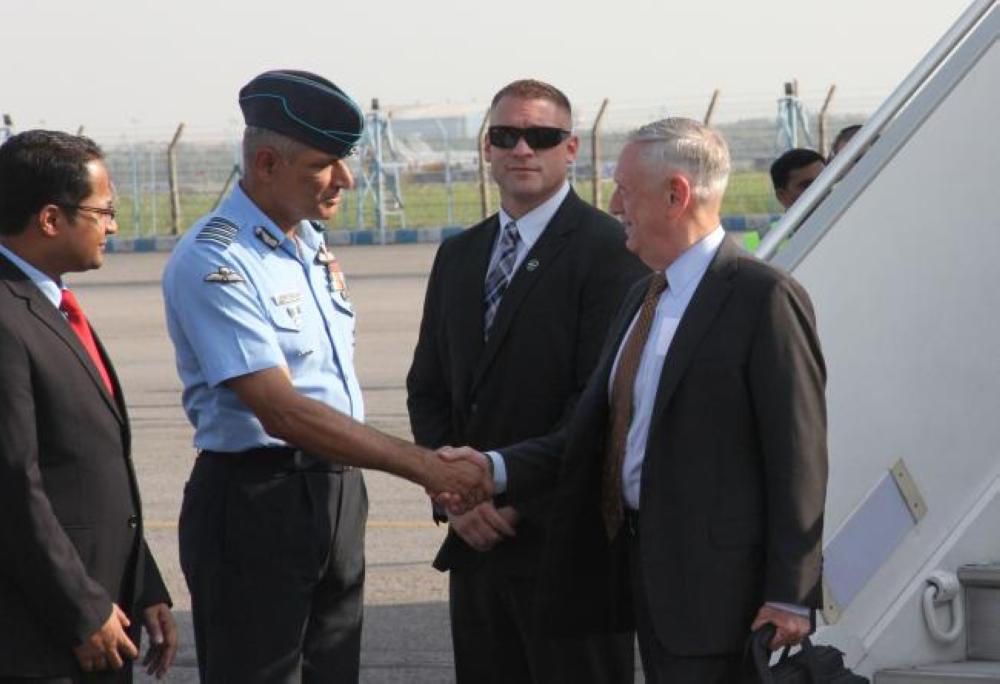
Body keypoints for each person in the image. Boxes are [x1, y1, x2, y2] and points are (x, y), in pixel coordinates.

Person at [441, 118, 828, 682]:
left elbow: (799, 458)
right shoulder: (644, 296)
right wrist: (492, 469)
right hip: (640, 576)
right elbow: (593, 434)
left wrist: (792, 594)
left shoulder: (761, 296)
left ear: (676, 194)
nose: (614, 203)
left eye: (625, 188)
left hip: (722, 597)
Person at [161, 70, 491, 682]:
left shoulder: (307, 243)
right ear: (265, 163)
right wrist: (426, 466)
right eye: (324, 164)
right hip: (258, 501)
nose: (346, 179)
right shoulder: (218, 258)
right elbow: (280, 410)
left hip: (337, 494)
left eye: (345, 161)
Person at [407, 79, 646, 684]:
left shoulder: (610, 251)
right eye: (505, 136)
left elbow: (599, 406)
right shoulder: (459, 255)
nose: (521, 150)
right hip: (476, 543)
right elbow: (428, 388)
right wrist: (452, 496)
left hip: (567, 550)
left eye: (539, 137)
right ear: (486, 149)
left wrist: (507, 497)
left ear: (570, 150)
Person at [0, 130, 177, 682]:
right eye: (104, 211)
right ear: (51, 219)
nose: (114, 226)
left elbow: (89, 467)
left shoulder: (47, 303)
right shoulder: (6, 317)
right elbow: (12, 484)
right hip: (43, 637)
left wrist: (141, 580)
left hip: (103, 612)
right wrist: (82, 609)